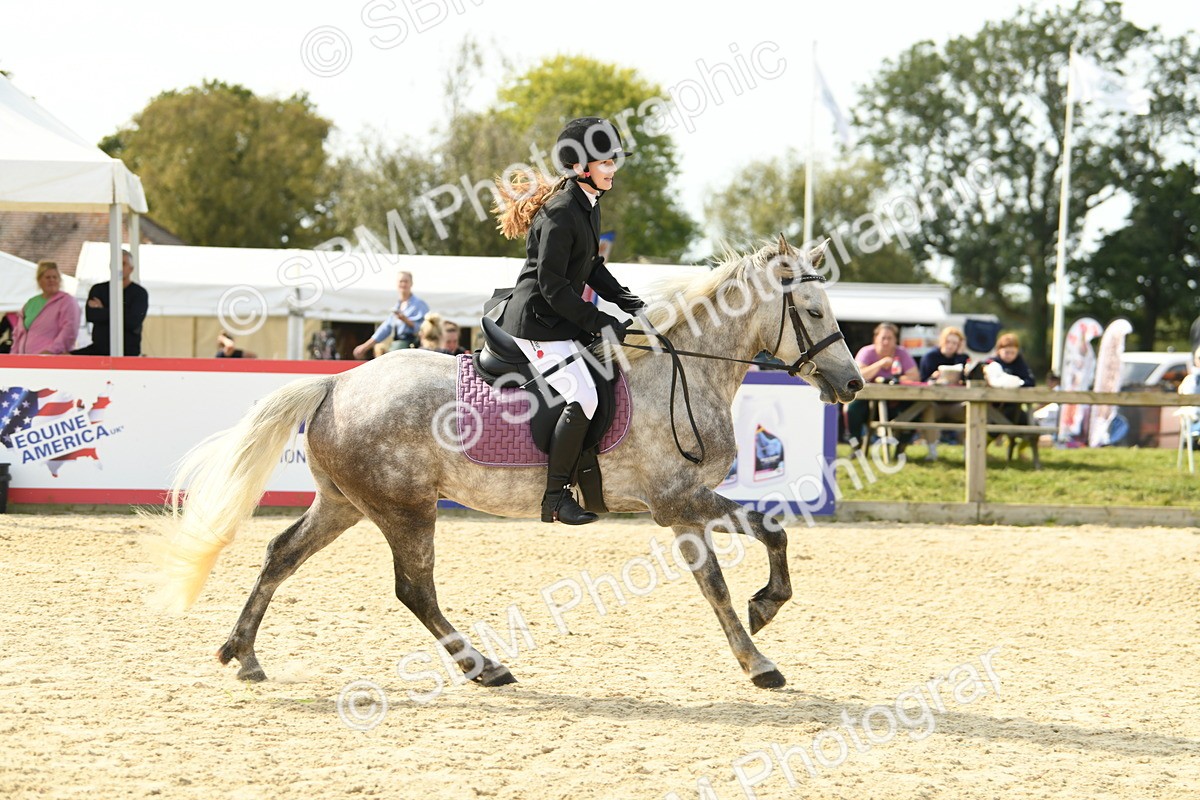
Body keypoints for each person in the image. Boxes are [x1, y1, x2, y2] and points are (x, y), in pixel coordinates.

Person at [492, 116, 646, 525]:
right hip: (536, 323)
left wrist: (627, 301)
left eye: (614, 161)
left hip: (556, 317)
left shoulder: (588, 205)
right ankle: (555, 498)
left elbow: (591, 265)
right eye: (606, 162)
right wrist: (599, 321)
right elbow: (553, 286)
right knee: (584, 396)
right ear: (582, 168)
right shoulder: (561, 211)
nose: (613, 169)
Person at [844, 322, 919, 454]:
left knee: (916, 409)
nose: (886, 342)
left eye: (890, 338)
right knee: (852, 408)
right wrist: (880, 364)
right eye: (883, 338)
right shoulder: (867, 352)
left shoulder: (901, 353)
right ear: (876, 339)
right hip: (868, 403)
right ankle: (855, 446)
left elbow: (915, 377)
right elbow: (858, 375)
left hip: (895, 403)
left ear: (895, 340)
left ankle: (901, 448)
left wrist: (897, 378)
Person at [72, 250, 149, 356]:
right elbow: (91, 315)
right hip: (99, 350)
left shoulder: (139, 293)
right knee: (64, 359)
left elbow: (133, 321)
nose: (119, 268)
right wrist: (123, 312)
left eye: (123, 264)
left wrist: (103, 310)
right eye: (115, 264)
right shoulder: (98, 289)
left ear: (131, 269)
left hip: (128, 353)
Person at [919, 325, 970, 459]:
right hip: (935, 403)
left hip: (956, 405)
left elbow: (968, 381)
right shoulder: (930, 357)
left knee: (969, 409)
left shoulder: (964, 358)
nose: (950, 345)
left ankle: (968, 452)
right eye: (948, 341)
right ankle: (931, 451)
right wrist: (934, 378)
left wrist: (959, 357)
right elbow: (922, 381)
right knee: (927, 408)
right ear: (942, 341)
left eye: (955, 343)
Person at [353, 271, 428, 359]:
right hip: (397, 346)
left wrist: (406, 321)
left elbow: (425, 329)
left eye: (406, 281)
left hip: (414, 348)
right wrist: (365, 347)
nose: (403, 284)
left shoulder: (420, 305)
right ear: (397, 284)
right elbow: (385, 329)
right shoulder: (397, 306)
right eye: (401, 281)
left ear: (411, 283)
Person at [11, 261, 80, 355]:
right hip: (25, 360)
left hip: (50, 360)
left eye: (55, 277)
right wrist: (14, 355)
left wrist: (50, 351)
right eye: (47, 277)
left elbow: (69, 331)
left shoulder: (67, 301)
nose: (52, 280)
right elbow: (18, 334)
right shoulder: (31, 302)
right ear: (39, 280)